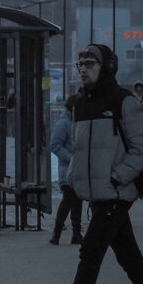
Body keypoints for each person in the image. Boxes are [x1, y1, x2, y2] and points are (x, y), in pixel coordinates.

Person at [34, 44, 143, 284]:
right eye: (80, 63)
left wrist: (118, 177)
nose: (83, 68)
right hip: (99, 195)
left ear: (108, 67)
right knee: (131, 260)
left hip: (115, 194)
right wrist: (75, 179)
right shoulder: (81, 106)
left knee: (90, 255)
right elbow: (82, 152)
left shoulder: (123, 102)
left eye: (90, 63)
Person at [49, 94, 83, 246]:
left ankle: (75, 234)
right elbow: (55, 145)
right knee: (69, 201)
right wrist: (71, 159)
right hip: (68, 170)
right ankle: (57, 233)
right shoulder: (64, 123)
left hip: (76, 169)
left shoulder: (76, 122)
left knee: (76, 202)